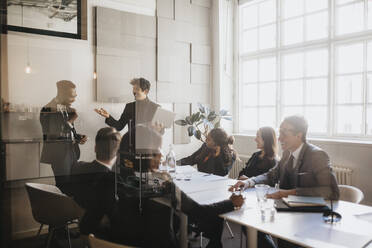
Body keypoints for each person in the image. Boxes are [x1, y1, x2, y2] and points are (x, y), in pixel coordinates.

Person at [231, 115, 339, 248]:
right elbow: (272, 175)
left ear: (299, 135)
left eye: (284, 133)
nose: (279, 138)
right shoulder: (288, 153)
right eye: (279, 132)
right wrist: (249, 182)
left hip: (311, 217)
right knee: (248, 223)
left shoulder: (317, 155)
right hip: (289, 211)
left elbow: (331, 191)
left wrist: (288, 193)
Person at [70, 127, 121, 236]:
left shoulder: (77, 167)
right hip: (103, 236)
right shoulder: (113, 182)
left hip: (86, 229)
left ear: (95, 148)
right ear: (118, 153)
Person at [40, 80, 87, 194]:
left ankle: (70, 207)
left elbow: (67, 131)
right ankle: (62, 209)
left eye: (75, 96)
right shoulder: (48, 109)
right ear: (61, 94)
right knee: (64, 186)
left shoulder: (67, 108)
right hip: (59, 154)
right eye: (71, 96)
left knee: (72, 184)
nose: (74, 99)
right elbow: (53, 136)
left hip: (71, 152)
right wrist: (71, 121)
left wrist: (77, 137)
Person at [94, 78, 160, 156]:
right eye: (133, 89)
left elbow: (160, 132)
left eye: (137, 89)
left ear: (146, 91)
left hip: (149, 149)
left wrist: (159, 129)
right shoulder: (129, 106)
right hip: (131, 148)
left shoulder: (156, 107)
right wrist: (108, 116)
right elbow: (119, 126)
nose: (134, 92)